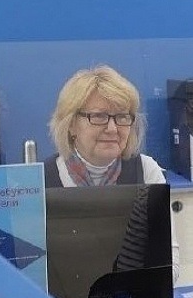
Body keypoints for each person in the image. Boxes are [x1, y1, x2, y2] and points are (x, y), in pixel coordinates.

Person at [46, 65, 180, 283]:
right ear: (70, 125)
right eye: (99, 116)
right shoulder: (41, 180)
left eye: (122, 117)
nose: (112, 128)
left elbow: (168, 266)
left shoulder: (147, 171)